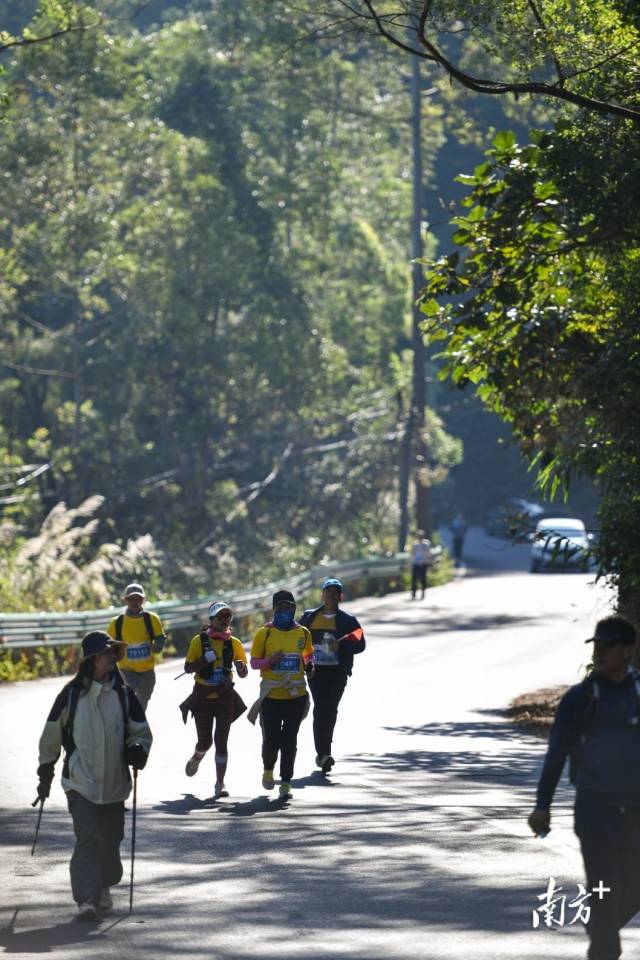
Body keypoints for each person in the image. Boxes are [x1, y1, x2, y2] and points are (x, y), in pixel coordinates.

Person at [528, 615, 640, 960]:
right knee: (604, 888)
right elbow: (557, 752)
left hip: (636, 811)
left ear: (627, 651)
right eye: (597, 645)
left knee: (634, 889)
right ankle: (604, 942)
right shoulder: (579, 699)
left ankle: (602, 927)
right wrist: (542, 804)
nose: (600, 652)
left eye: (608, 646)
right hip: (594, 810)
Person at [36, 631, 152, 919]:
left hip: (115, 784)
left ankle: (103, 886)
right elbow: (51, 735)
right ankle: (87, 898)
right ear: (92, 659)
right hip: (80, 781)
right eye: (106, 652)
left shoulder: (124, 695)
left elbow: (141, 731)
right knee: (88, 836)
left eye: (114, 651)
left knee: (111, 839)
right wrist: (45, 773)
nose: (112, 656)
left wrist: (138, 748)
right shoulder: (71, 695)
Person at [247, 590, 314, 800]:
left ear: (294, 609)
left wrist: (310, 665)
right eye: (281, 608)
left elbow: (308, 656)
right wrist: (270, 661)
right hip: (272, 697)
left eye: (289, 608)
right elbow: (254, 662)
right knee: (271, 739)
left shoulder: (303, 633)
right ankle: (268, 769)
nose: (285, 612)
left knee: (290, 740)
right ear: (274, 610)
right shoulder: (264, 633)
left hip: (296, 696)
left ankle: (286, 781)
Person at [179, 600, 248, 798]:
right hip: (203, 697)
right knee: (205, 741)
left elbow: (243, 673)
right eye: (219, 617)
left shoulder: (234, 643)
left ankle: (220, 783)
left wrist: (242, 669)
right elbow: (187, 668)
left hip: (225, 698)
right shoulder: (198, 642)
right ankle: (197, 756)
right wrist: (203, 661)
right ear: (211, 620)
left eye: (227, 617)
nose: (224, 620)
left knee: (221, 740)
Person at [300, 577, 365, 773]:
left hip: (338, 672)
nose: (331, 595)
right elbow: (296, 637)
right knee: (321, 708)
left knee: (330, 709)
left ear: (341, 596)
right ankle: (323, 754)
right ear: (322, 594)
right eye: (328, 591)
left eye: (335, 592)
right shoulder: (309, 617)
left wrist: (341, 644)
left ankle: (323, 752)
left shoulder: (348, 620)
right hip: (315, 671)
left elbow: (361, 645)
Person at [107, 582, 166, 710]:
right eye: (131, 599)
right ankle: (127, 726)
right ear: (125, 600)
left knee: (142, 703)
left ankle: (136, 725)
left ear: (143, 600)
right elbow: (109, 644)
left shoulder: (152, 619)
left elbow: (160, 636)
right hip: (126, 671)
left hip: (147, 672)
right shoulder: (117, 622)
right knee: (126, 702)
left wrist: (158, 645)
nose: (135, 602)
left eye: (138, 599)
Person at [410, 529, 432, 599]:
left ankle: (423, 592)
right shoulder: (415, 544)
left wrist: (427, 561)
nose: (420, 537)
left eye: (421, 536)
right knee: (414, 579)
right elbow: (412, 554)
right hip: (416, 563)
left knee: (423, 579)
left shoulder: (426, 544)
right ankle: (413, 593)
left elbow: (428, 553)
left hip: (423, 563)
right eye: (418, 536)